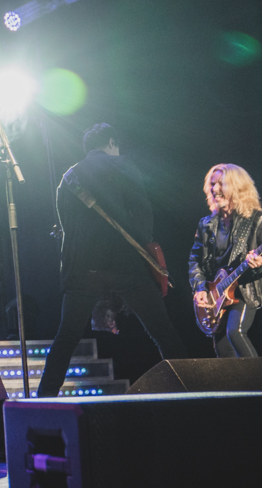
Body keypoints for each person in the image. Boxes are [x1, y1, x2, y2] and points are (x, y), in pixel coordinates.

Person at [38, 124, 186, 397]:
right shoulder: (123, 165)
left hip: (83, 269)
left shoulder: (69, 177)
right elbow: (143, 214)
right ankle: (189, 391)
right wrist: (144, 249)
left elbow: (66, 228)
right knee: (162, 332)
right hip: (126, 265)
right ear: (111, 142)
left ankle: (43, 398)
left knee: (66, 338)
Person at [188, 164, 262, 359]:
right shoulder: (206, 224)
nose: (215, 189)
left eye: (221, 184)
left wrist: (259, 263)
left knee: (235, 332)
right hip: (217, 295)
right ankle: (237, 388)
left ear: (237, 187)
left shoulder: (256, 219)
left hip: (245, 290)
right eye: (212, 184)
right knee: (223, 349)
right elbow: (195, 259)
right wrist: (200, 288)